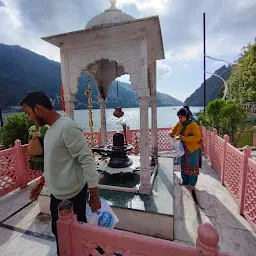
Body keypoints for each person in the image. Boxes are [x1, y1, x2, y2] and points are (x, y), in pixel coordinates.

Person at [20, 91, 100, 255]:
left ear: (38, 109)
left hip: (73, 195)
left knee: (76, 236)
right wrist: (41, 184)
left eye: (29, 113)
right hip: (57, 195)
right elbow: (53, 164)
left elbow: (87, 160)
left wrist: (95, 195)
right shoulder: (49, 131)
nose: (29, 117)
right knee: (59, 232)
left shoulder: (67, 128)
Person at [169, 108, 202, 190]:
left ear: (187, 116)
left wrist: (184, 138)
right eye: (179, 117)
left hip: (192, 149)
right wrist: (171, 133)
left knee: (192, 166)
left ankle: (192, 184)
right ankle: (185, 181)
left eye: (181, 117)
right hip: (182, 148)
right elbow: (173, 130)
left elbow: (198, 137)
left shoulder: (193, 124)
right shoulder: (179, 123)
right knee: (183, 165)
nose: (180, 119)